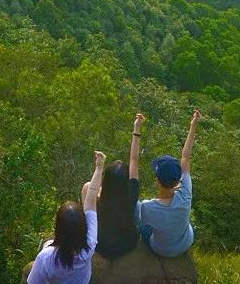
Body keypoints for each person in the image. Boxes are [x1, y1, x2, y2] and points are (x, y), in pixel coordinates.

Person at [27, 150, 106, 284]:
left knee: (46, 244)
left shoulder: (45, 258)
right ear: (83, 228)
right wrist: (99, 168)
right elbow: (91, 200)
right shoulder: (90, 244)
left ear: (58, 228)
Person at [137, 109, 201, 257]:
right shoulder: (185, 192)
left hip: (161, 249)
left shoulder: (147, 206)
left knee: (142, 227)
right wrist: (193, 126)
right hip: (185, 242)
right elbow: (186, 157)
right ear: (178, 178)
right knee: (188, 225)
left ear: (157, 181)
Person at [89, 113, 145, 258]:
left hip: (101, 246)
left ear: (105, 182)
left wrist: (99, 166)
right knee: (138, 207)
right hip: (127, 245)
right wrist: (136, 129)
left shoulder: (98, 202)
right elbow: (134, 160)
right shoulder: (131, 193)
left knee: (87, 188)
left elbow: (91, 190)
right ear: (126, 181)